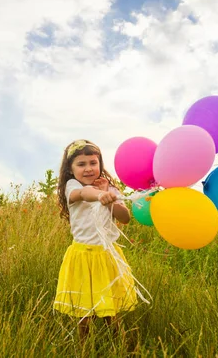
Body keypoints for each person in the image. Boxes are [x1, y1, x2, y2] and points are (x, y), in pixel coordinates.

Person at [53, 139, 138, 339]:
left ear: (100, 164)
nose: (89, 168)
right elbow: (84, 193)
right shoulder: (71, 186)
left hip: (107, 256)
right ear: (70, 169)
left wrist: (109, 197)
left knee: (111, 312)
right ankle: (86, 349)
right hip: (83, 256)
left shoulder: (109, 188)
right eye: (81, 164)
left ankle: (123, 348)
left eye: (93, 163)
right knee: (85, 314)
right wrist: (99, 195)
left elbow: (124, 218)